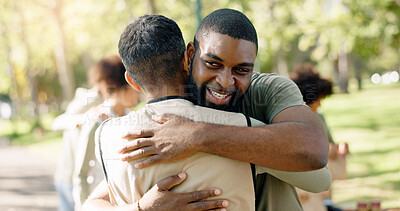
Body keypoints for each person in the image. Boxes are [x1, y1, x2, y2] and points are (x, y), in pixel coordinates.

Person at [84, 10, 331, 211]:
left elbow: (317, 166)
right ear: (189, 57)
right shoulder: (162, 119)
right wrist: (141, 208)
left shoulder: (269, 90)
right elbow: (93, 203)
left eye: (241, 70)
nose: (225, 81)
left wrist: (197, 136)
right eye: (213, 64)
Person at [72, 55, 140, 209]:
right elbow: (80, 173)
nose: (138, 92)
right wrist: (85, 206)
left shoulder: (131, 118)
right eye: (133, 86)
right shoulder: (96, 120)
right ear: (120, 87)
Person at [290, 63, 349, 211]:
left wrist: (338, 149)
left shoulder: (320, 118)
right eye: (317, 99)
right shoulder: (290, 120)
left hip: (323, 192)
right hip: (303, 194)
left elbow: (330, 144)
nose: (319, 104)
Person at [53, 87, 102, 211]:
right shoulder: (87, 101)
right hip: (69, 177)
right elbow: (57, 122)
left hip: (82, 178)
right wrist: (84, 118)